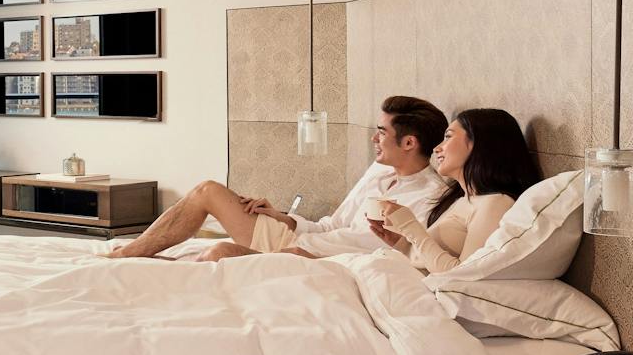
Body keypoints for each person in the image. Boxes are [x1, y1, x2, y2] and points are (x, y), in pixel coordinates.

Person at [104, 95, 450, 261]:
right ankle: (130, 255)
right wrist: (283, 217)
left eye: (382, 132)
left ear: (409, 143)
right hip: (298, 240)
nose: (374, 138)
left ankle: (152, 275)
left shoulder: (429, 198)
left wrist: (305, 252)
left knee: (219, 252)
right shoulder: (379, 171)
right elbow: (332, 224)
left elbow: (397, 254)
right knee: (207, 190)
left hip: (313, 259)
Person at [372, 108, 541, 272]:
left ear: (478, 143)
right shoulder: (460, 199)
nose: (437, 148)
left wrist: (410, 225)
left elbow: (463, 274)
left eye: (448, 137)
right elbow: (431, 261)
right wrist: (402, 244)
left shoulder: (495, 203)